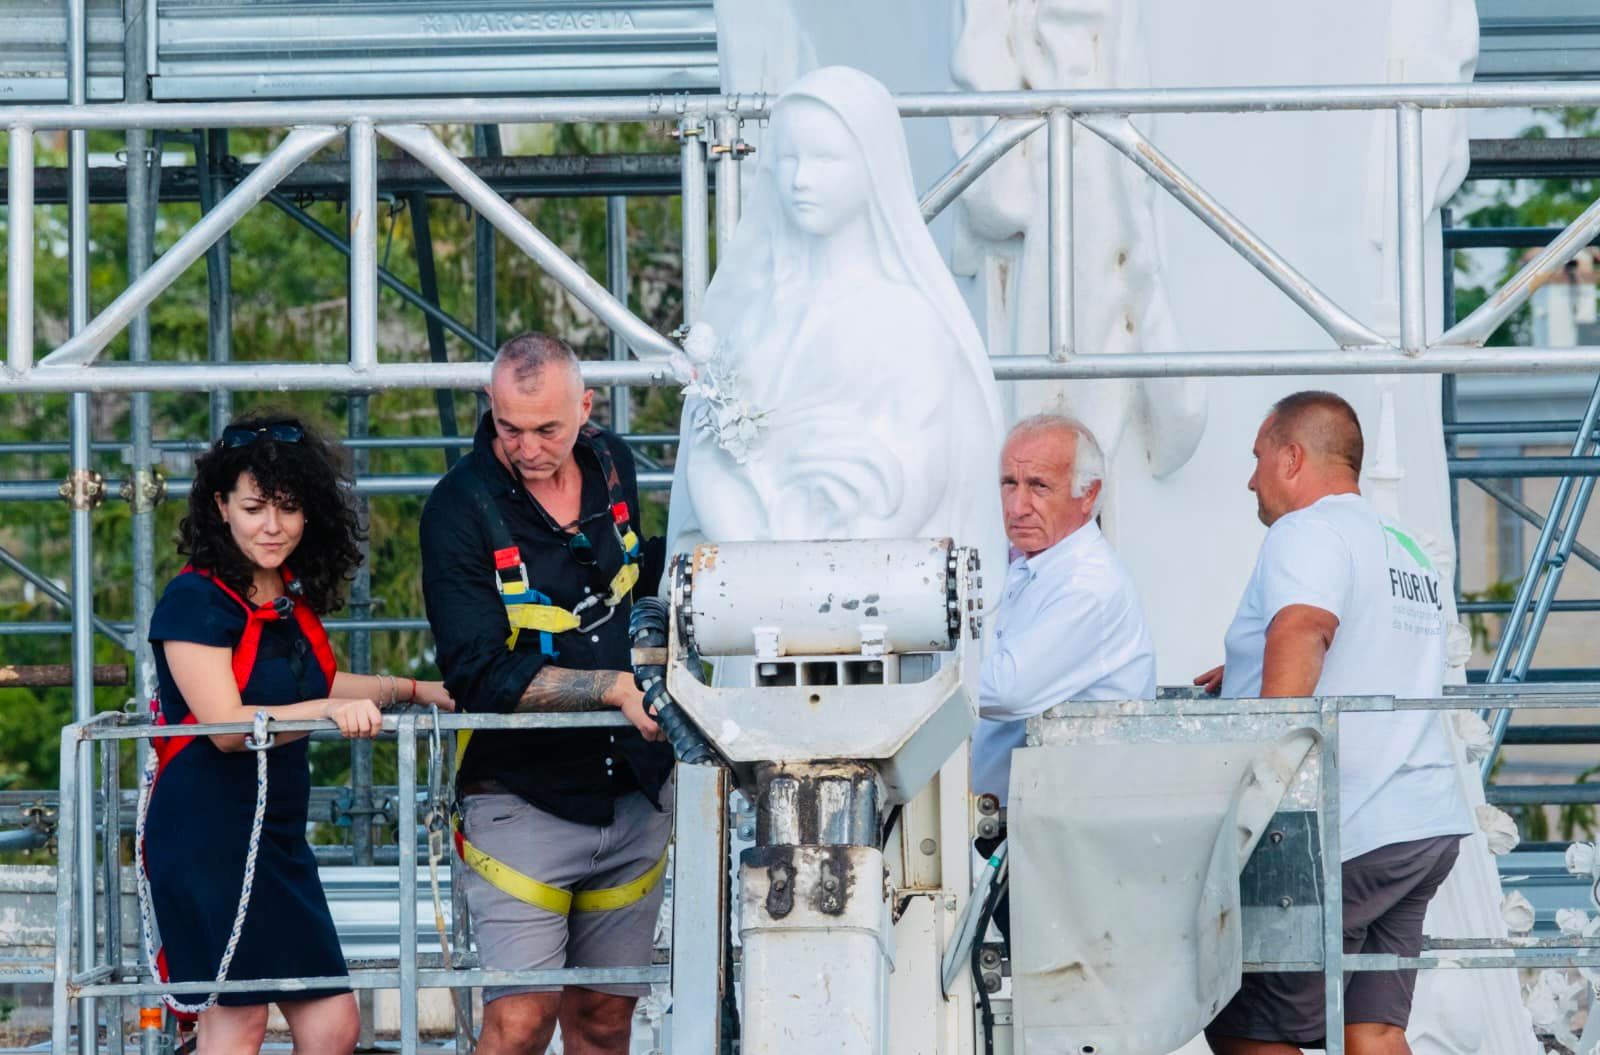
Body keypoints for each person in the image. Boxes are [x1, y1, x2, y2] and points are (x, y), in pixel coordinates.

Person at [142, 413, 451, 1053]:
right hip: (208, 839)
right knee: (237, 1021)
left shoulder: (286, 595)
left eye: (288, 508)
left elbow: (320, 683)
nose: (273, 526)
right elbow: (228, 727)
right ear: (221, 507)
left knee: (333, 1023)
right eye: (254, 507)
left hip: (275, 842)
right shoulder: (193, 601)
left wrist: (417, 691)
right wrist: (325, 715)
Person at [420, 333, 674, 1055]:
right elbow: (477, 672)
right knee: (519, 1020)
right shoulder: (458, 509)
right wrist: (613, 688)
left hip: (633, 788)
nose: (527, 448)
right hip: (523, 794)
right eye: (509, 428)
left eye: (547, 429)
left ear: (585, 408)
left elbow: (642, 589)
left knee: (603, 1017)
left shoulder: (613, 465)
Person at [1198, 391, 1473, 1055]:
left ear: (1292, 457)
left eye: (1258, 457)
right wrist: (1242, 667)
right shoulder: (1404, 548)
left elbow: (1306, 630)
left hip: (1345, 830)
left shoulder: (1307, 530)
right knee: (1372, 1026)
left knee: (1247, 1026)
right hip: (1423, 823)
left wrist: (1255, 805)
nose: (1250, 478)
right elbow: (1373, 653)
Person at [665, 65, 1006, 588]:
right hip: (754, 591)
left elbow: (919, 470)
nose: (802, 178)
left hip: (871, 594)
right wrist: (751, 531)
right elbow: (709, 450)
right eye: (788, 159)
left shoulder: (909, 317)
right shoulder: (752, 316)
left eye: (826, 159)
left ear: (872, 167)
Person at [970, 414, 1156, 940]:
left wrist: (907, 678)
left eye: (1038, 486)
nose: (1016, 505)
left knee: (1066, 998)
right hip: (1022, 829)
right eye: (1009, 483)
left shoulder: (1086, 585)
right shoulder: (1030, 563)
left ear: (1088, 495)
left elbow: (1006, 689)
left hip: (1069, 840)